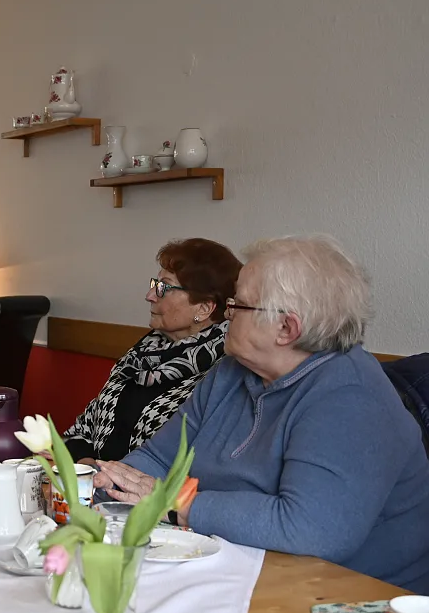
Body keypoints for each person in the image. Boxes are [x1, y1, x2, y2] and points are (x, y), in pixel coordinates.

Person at [94, 235, 429, 593]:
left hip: (346, 598)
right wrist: (111, 486)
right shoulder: (230, 371)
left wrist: (176, 502)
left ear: (287, 328)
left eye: (239, 305)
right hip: (238, 571)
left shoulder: (352, 396)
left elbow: (310, 528)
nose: (227, 312)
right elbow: (159, 457)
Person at [63, 238, 242, 463]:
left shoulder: (221, 373)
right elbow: (84, 428)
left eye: (164, 287)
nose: (149, 296)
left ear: (204, 308)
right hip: (96, 488)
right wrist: (85, 462)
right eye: (154, 285)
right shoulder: (142, 353)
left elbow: (192, 465)